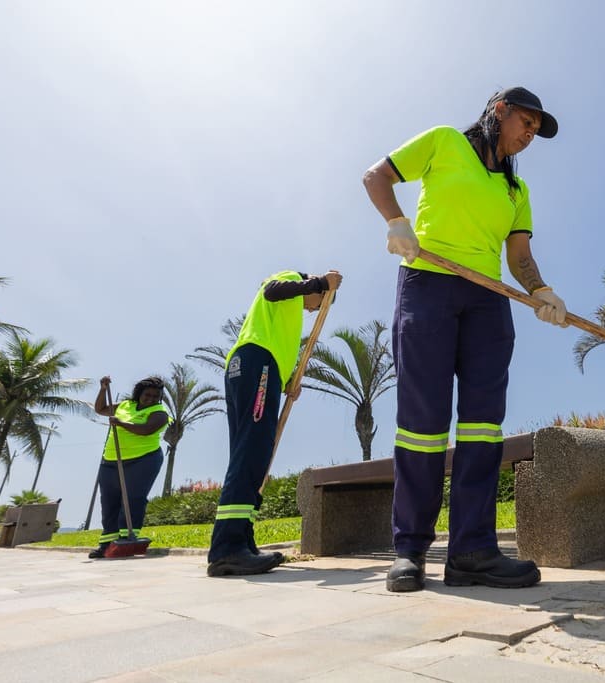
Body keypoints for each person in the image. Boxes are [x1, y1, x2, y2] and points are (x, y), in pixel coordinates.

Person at [362, 86, 567, 592]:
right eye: (526, 122)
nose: (529, 135)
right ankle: (409, 550)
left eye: (536, 131)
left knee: (482, 427)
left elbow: (518, 256)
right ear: (499, 111)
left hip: (488, 299)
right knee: (422, 424)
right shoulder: (444, 142)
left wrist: (541, 289)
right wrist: (396, 221)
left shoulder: (516, 193)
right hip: (428, 283)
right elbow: (377, 176)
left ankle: (472, 551)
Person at [207, 269, 343, 577]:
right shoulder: (290, 280)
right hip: (257, 363)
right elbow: (272, 289)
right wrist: (323, 283)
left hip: (260, 368)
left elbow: (279, 341)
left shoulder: (286, 317)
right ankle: (227, 548)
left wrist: (288, 381)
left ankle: (241, 539)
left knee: (252, 456)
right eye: (318, 304)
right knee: (251, 452)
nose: (312, 310)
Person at [91, 375, 169, 559]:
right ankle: (107, 544)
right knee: (109, 501)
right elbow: (100, 409)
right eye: (147, 395)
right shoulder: (125, 405)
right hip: (111, 460)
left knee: (133, 498)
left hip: (143, 460)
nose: (150, 399)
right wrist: (103, 389)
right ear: (139, 394)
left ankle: (127, 539)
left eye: (155, 396)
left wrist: (121, 423)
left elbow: (146, 430)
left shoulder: (160, 413)